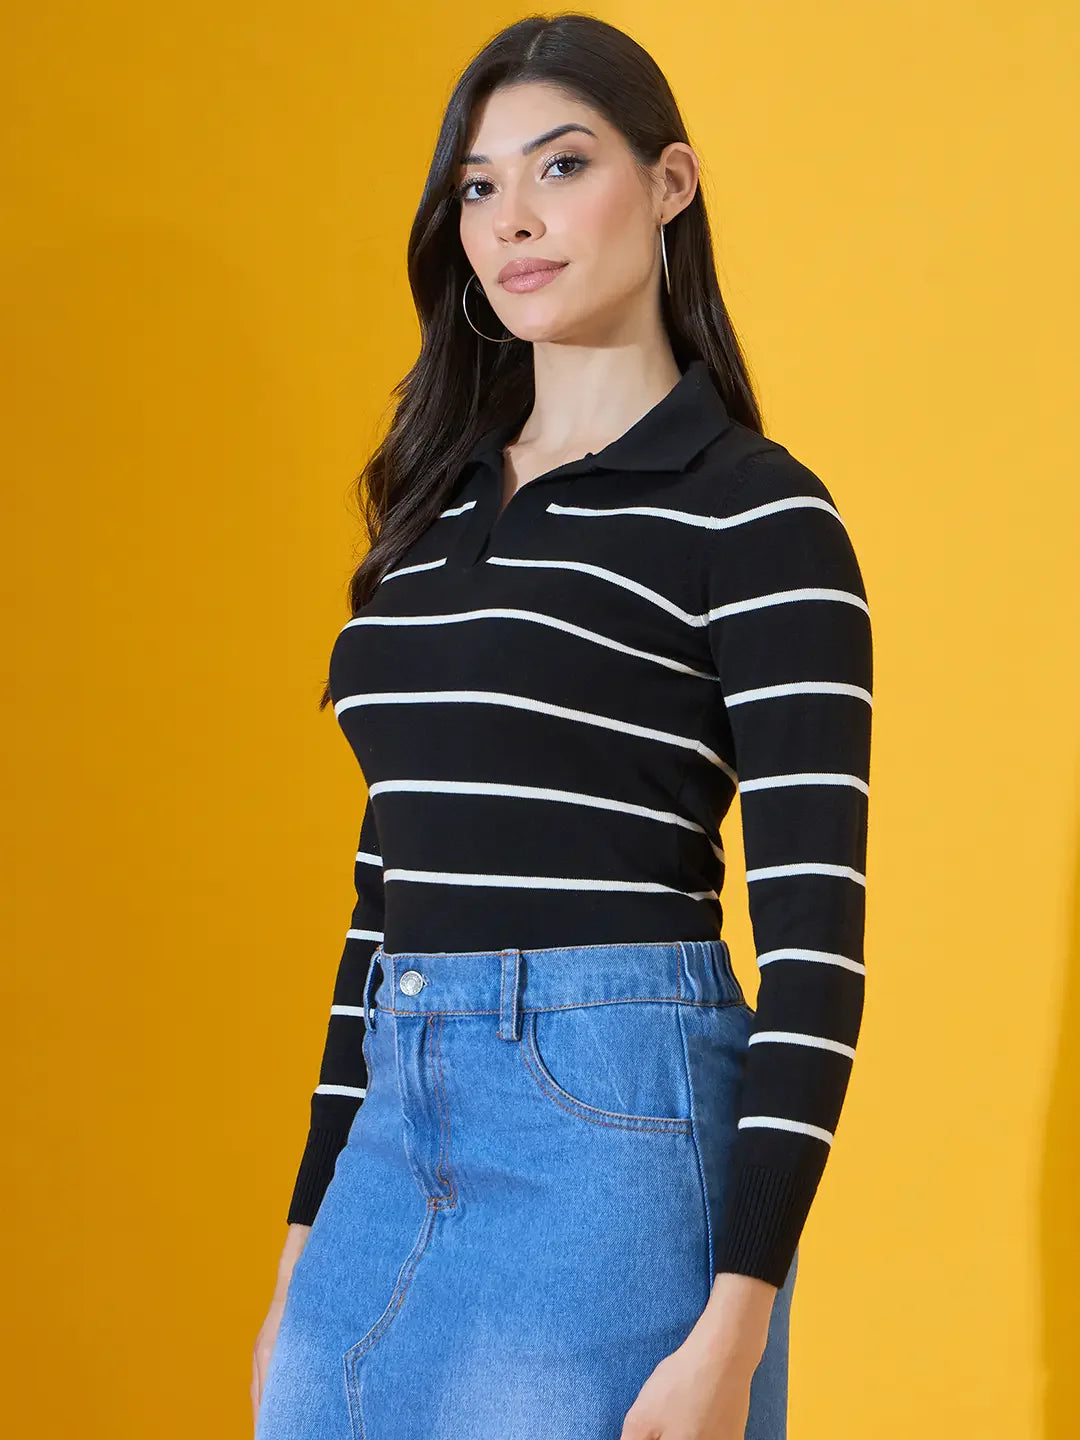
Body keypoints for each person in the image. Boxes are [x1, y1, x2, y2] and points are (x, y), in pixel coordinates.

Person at [252, 13, 872, 1440]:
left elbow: (817, 957)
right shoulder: (432, 508)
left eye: (560, 166)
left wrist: (738, 1326)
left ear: (670, 185)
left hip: (614, 1138)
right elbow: (384, 895)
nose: (512, 221)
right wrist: (303, 1242)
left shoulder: (759, 514)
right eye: (476, 187)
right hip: (391, 1145)